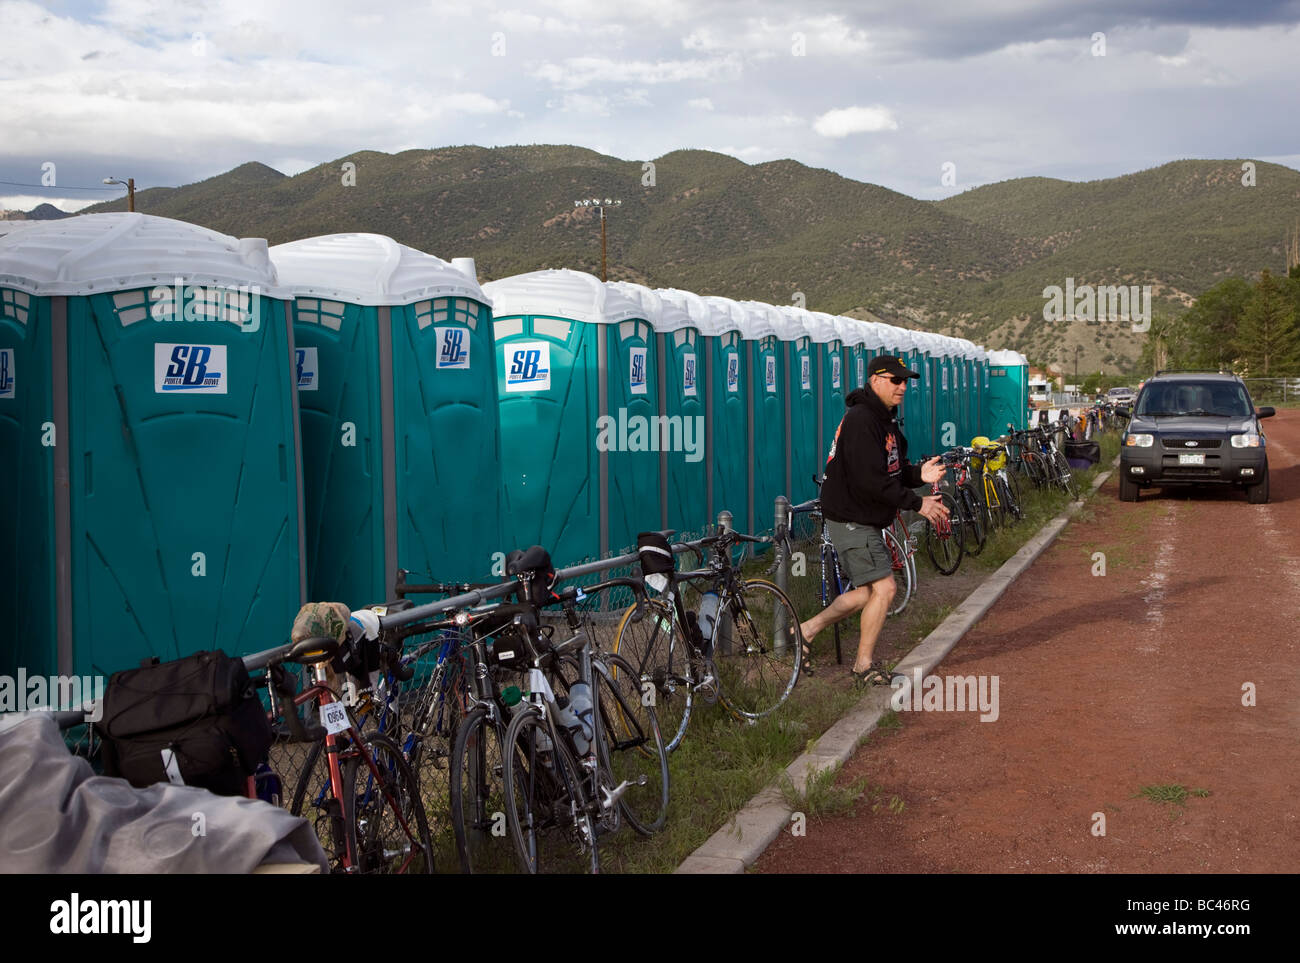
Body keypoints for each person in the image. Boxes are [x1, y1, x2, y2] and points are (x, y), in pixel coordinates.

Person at [801, 355, 949, 687]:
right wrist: (917, 503)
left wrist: (916, 475)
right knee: (885, 587)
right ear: (875, 380)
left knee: (868, 593)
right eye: (896, 380)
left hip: (863, 516)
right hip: (852, 517)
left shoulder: (885, 421)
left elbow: (890, 472)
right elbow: (870, 480)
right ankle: (863, 667)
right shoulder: (861, 420)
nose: (902, 387)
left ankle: (805, 631)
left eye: (905, 381)